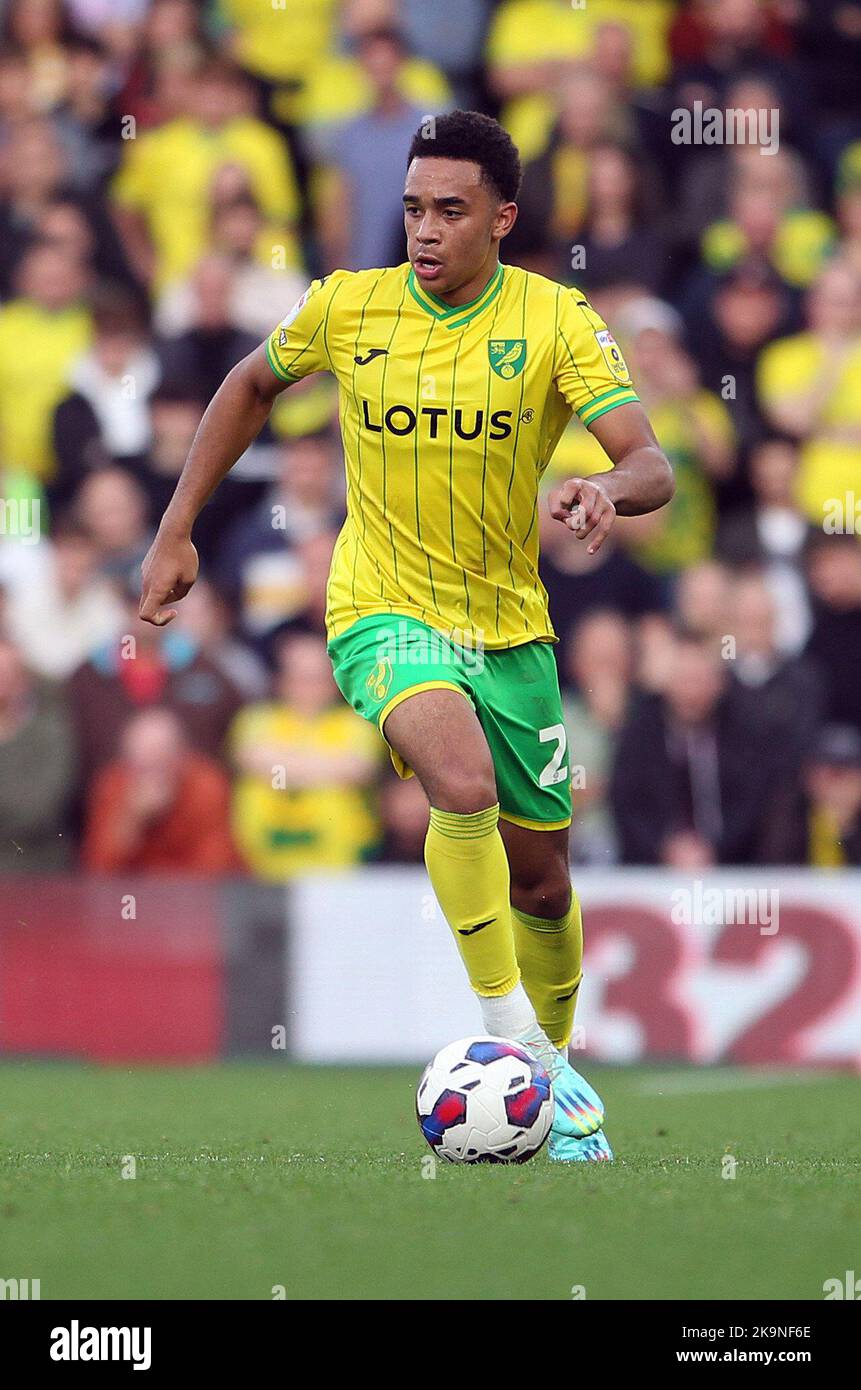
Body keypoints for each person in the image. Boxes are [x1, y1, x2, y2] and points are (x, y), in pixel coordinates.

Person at [139, 109, 674, 1163]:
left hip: (510, 629)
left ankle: (554, 1072)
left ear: (503, 220)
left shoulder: (558, 321)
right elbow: (249, 384)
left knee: (545, 880)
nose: (424, 230)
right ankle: (512, 1039)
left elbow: (651, 460)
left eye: (450, 211)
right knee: (459, 778)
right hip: (380, 606)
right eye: (413, 208)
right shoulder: (350, 307)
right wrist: (175, 525)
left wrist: (608, 491)